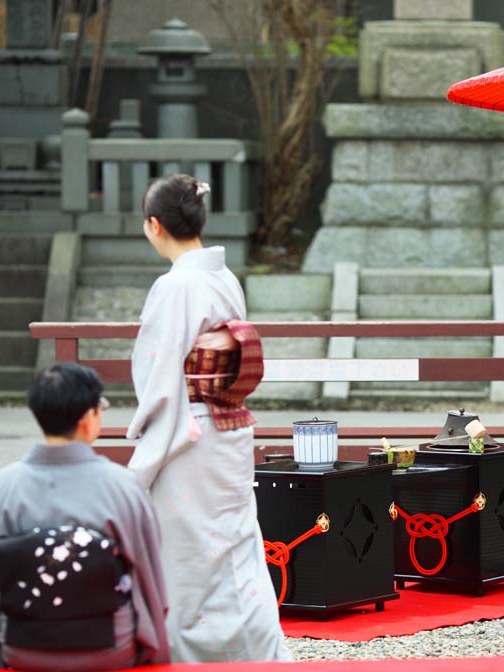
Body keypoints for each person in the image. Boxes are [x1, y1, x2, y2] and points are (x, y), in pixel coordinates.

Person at [126, 174, 291, 662]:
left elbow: (159, 375)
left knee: (187, 554)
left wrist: (150, 445)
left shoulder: (176, 285)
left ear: (155, 225)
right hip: (229, 428)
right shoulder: (223, 277)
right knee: (235, 545)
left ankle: (187, 652)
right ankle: (256, 648)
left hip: (190, 434)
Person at [0, 363, 169, 671]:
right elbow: (149, 579)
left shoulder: (3, 485)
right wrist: (153, 655)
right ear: (88, 418)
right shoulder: (122, 485)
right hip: (110, 649)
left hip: (24, 649)